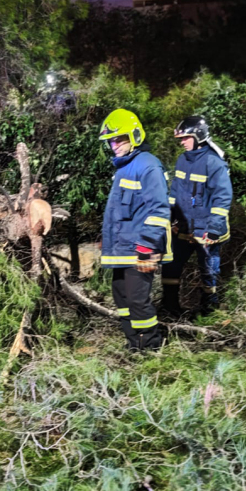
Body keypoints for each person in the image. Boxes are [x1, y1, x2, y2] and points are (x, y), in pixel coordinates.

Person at [98, 109, 173, 352]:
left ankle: (150, 348)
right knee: (121, 297)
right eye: (111, 141)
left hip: (140, 249)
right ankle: (134, 344)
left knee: (138, 300)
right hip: (123, 249)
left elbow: (160, 209)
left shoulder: (148, 166)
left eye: (119, 139)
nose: (114, 145)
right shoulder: (124, 167)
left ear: (135, 135)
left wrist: (147, 246)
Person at [160, 115, 232, 318]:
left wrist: (215, 228)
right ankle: (170, 306)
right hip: (183, 227)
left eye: (185, 138)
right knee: (170, 267)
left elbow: (222, 197)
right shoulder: (183, 160)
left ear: (198, 136)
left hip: (207, 230)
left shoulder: (214, 163)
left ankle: (209, 311)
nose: (182, 142)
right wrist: (169, 215)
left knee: (209, 272)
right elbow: (175, 192)